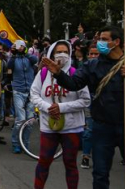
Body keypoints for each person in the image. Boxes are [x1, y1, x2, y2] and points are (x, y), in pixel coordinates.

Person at [42, 26, 125, 189]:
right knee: (100, 174)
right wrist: (59, 74)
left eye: (104, 40)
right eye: (99, 40)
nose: (99, 43)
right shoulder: (92, 65)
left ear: (116, 42)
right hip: (103, 127)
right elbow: (74, 84)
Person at [30, 40, 91, 189]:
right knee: (44, 161)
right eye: (58, 51)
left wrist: (62, 107)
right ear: (51, 53)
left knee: (70, 163)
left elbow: (85, 100)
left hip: (72, 127)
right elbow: (34, 95)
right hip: (48, 126)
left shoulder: (76, 74)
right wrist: (48, 107)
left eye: (65, 51)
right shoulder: (43, 73)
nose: (62, 55)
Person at [7, 39, 38, 154]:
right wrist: (14, 54)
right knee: (20, 119)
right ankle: (16, 143)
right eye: (18, 46)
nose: (19, 47)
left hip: (30, 91)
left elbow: (35, 60)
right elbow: (9, 67)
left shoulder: (29, 58)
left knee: (29, 121)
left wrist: (25, 52)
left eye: (22, 46)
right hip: (18, 91)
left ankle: (25, 144)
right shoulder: (13, 59)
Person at [81, 43, 100, 169]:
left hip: (104, 102)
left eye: (96, 54)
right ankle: (86, 156)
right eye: (91, 54)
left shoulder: (107, 67)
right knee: (89, 129)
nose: (93, 56)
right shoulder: (84, 68)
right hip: (89, 102)